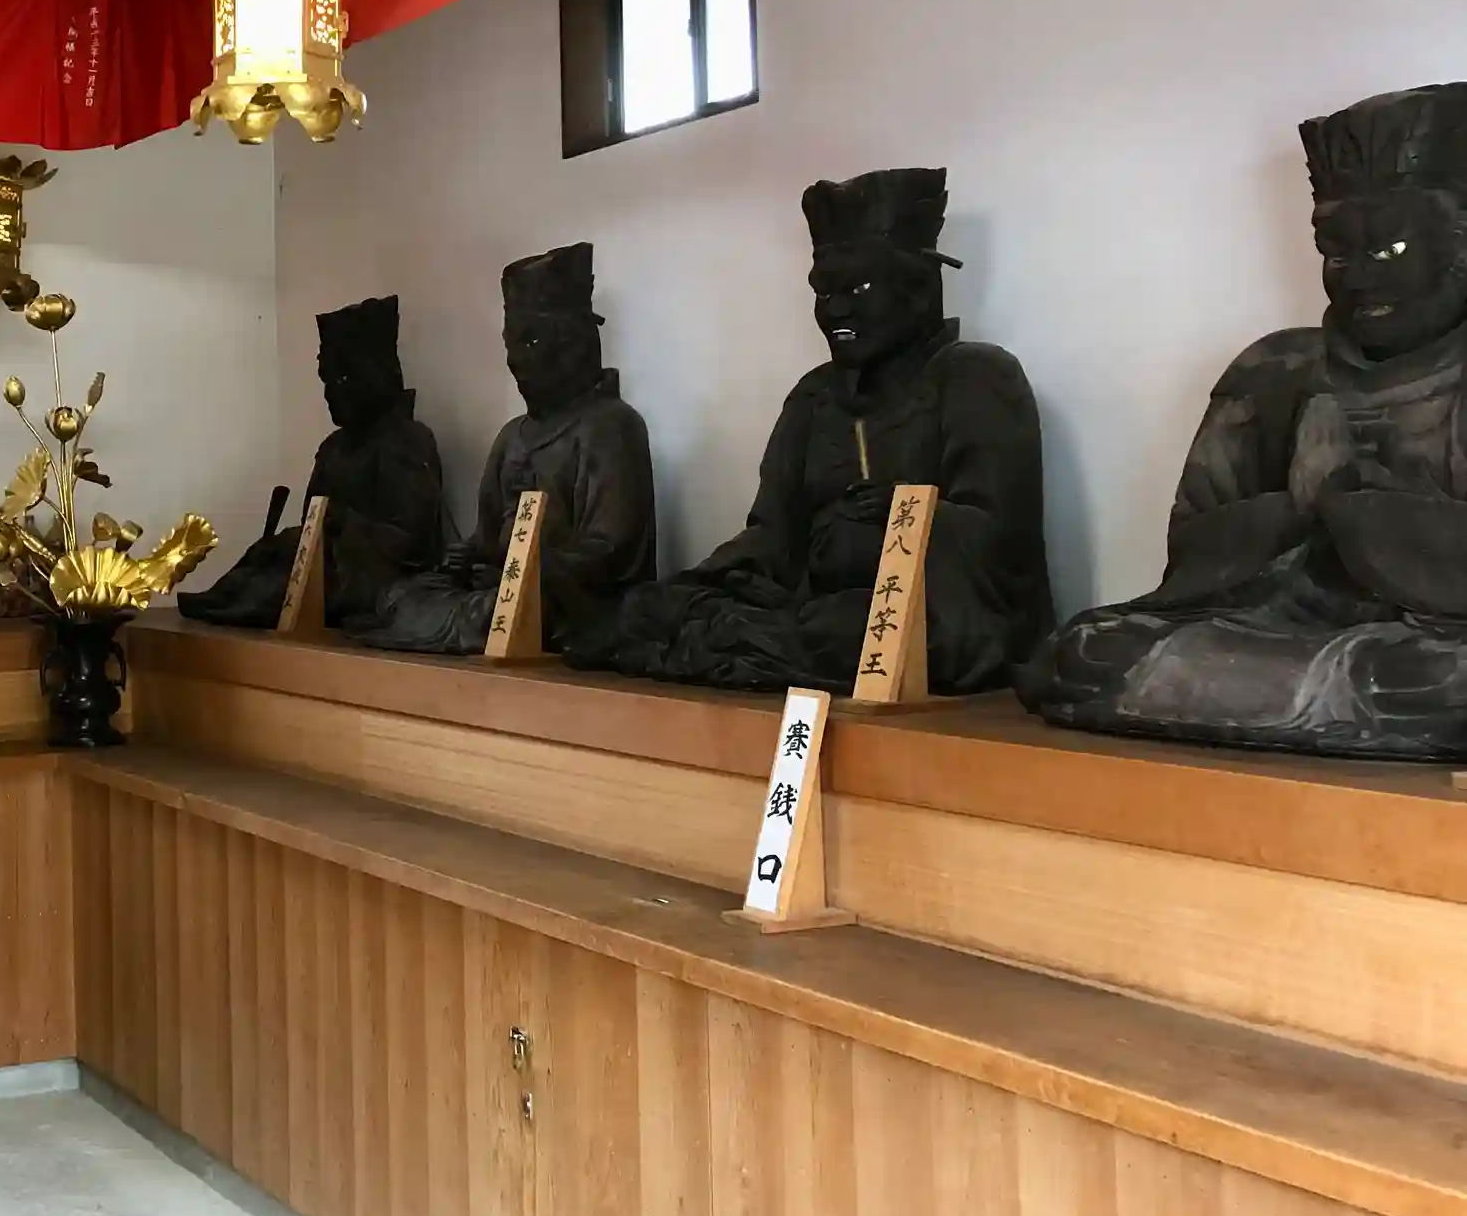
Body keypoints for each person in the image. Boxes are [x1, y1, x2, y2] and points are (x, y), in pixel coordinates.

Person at [1025, 85, 1467, 760]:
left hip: (1419, 648)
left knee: (1432, 679)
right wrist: (1293, 509)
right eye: (1337, 253)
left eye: (1391, 248)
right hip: (1273, 630)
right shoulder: (1276, 370)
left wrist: (1348, 502)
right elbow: (1190, 552)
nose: (1357, 279)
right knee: (1088, 650)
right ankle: (1316, 697)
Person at [565, 168, 1049, 694]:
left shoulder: (976, 377)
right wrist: (704, 579)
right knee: (652, 609)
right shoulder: (814, 398)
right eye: (824, 291)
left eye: (859, 287)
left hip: (922, 611)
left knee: (845, 628)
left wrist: (900, 516)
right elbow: (772, 535)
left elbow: (999, 540)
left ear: (919, 287)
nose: (836, 309)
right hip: (810, 603)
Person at [349, 244, 654, 654]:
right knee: (398, 595)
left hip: (573, 599)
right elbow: (488, 536)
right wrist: (468, 556)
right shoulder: (512, 436)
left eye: (531, 341)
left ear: (576, 343)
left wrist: (530, 571)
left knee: (503, 611)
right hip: (503, 587)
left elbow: (612, 551)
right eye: (510, 343)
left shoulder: (611, 427)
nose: (513, 360)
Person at [179, 295, 443, 629]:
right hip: (331, 558)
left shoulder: (407, 441)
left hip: (379, 575)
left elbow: (414, 543)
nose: (330, 392)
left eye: (343, 380)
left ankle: (243, 604)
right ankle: (226, 596)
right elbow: (311, 525)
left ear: (378, 377)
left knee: (292, 584)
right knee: (269, 557)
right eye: (326, 381)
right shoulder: (332, 448)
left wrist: (344, 522)